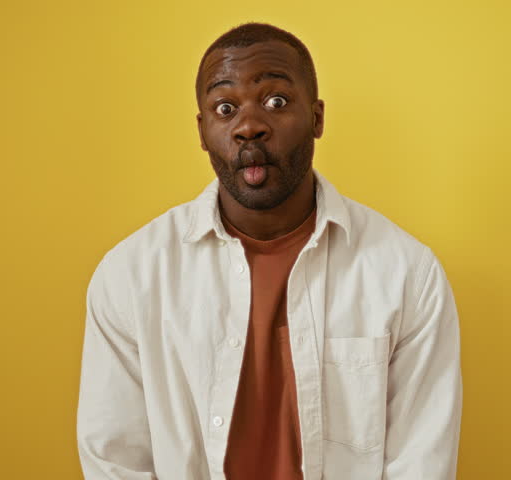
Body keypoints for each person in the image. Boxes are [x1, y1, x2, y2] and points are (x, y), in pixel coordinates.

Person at [77, 22, 462, 480]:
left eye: (276, 101)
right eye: (225, 108)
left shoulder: (407, 275)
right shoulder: (131, 275)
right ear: (202, 131)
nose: (249, 127)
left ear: (317, 118)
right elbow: (115, 459)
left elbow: (421, 463)